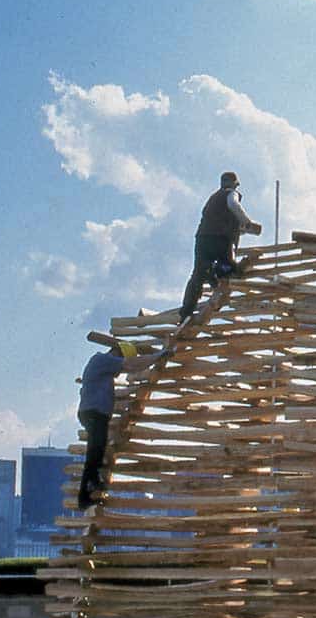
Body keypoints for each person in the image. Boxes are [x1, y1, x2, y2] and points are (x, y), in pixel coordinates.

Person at [77, 340, 166, 509]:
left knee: (96, 453)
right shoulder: (102, 360)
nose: (120, 373)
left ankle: (92, 485)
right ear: (117, 353)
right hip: (94, 414)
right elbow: (132, 365)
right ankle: (85, 496)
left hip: (94, 414)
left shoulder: (103, 370)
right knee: (94, 454)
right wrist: (157, 356)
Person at [178, 171, 262, 325]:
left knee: (198, 275)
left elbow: (222, 220)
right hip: (221, 240)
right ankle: (216, 274)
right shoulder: (230, 194)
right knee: (229, 267)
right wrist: (248, 222)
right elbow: (233, 205)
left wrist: (241, 228)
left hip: (203, 239)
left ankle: (186, 313)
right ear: (234, 184)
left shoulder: (212, 199)